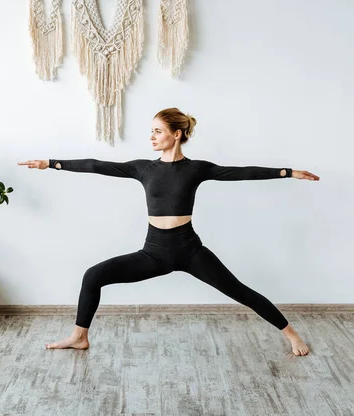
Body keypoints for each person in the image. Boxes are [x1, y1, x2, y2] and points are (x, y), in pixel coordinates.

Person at [18, 107, 320, 355]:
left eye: (157, 131)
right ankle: (79, 336)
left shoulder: (197, 169)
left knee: (240, 291)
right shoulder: (142, 168)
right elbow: (97, 165)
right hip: (153, 253)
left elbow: (241, 173)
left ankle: (291, 334)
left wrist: (288, 172)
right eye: (151, 131)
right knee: (93, 275)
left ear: (177, 134)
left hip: (190, 251)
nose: (151, 136)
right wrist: (52, 163)